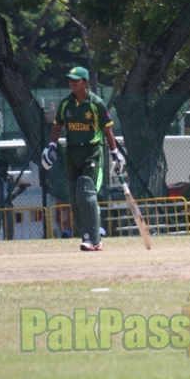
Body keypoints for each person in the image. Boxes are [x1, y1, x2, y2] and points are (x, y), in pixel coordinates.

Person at [41, 66, 125, 251]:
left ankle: (95, 239)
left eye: (76, 79)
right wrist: (51, 147)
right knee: (74, 195)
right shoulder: (65, 104)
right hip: (71, 153)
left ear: (85, 82)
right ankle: (87, 237)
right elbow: (57, 127)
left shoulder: (96, 103)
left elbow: (107, 130)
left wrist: (114, 153)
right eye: (70, 79)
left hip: (92, 151)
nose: (71, 82)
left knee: (87, 192)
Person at [0, 158, 27, 241]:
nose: (2, 169)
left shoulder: (11, 178)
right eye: (0, 167)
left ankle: (8, 243)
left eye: (4, 167)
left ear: (7, 168)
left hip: (8, 207)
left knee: (9, 230)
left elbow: (22, 186)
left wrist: (15, 195)